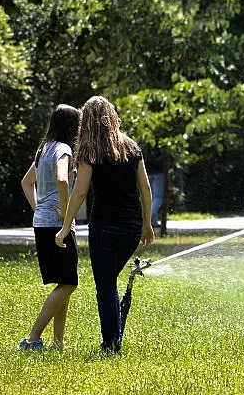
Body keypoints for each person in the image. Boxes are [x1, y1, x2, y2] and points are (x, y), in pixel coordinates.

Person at [55, 96, 155, 353]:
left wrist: (65, 228)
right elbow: (145, 188)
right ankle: (114, 338)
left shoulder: (90, 151)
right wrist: (147, 224)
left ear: (86, 122)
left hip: (105, 229)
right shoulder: (131, 147)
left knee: (106, 286)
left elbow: (79, 192)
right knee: (109, 281)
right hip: (132, 228)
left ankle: (111, 344)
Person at [18, 104, 81, 350]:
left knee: (64, 283)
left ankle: (58, 342)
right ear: (71, 127)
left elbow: (26, 183)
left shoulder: (43, 150)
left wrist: (39, 209)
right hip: (57, 226)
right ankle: (32, 339)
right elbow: (62, 179)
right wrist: (66, 214)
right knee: (69, 283)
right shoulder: (64, 150)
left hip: (42, 223)